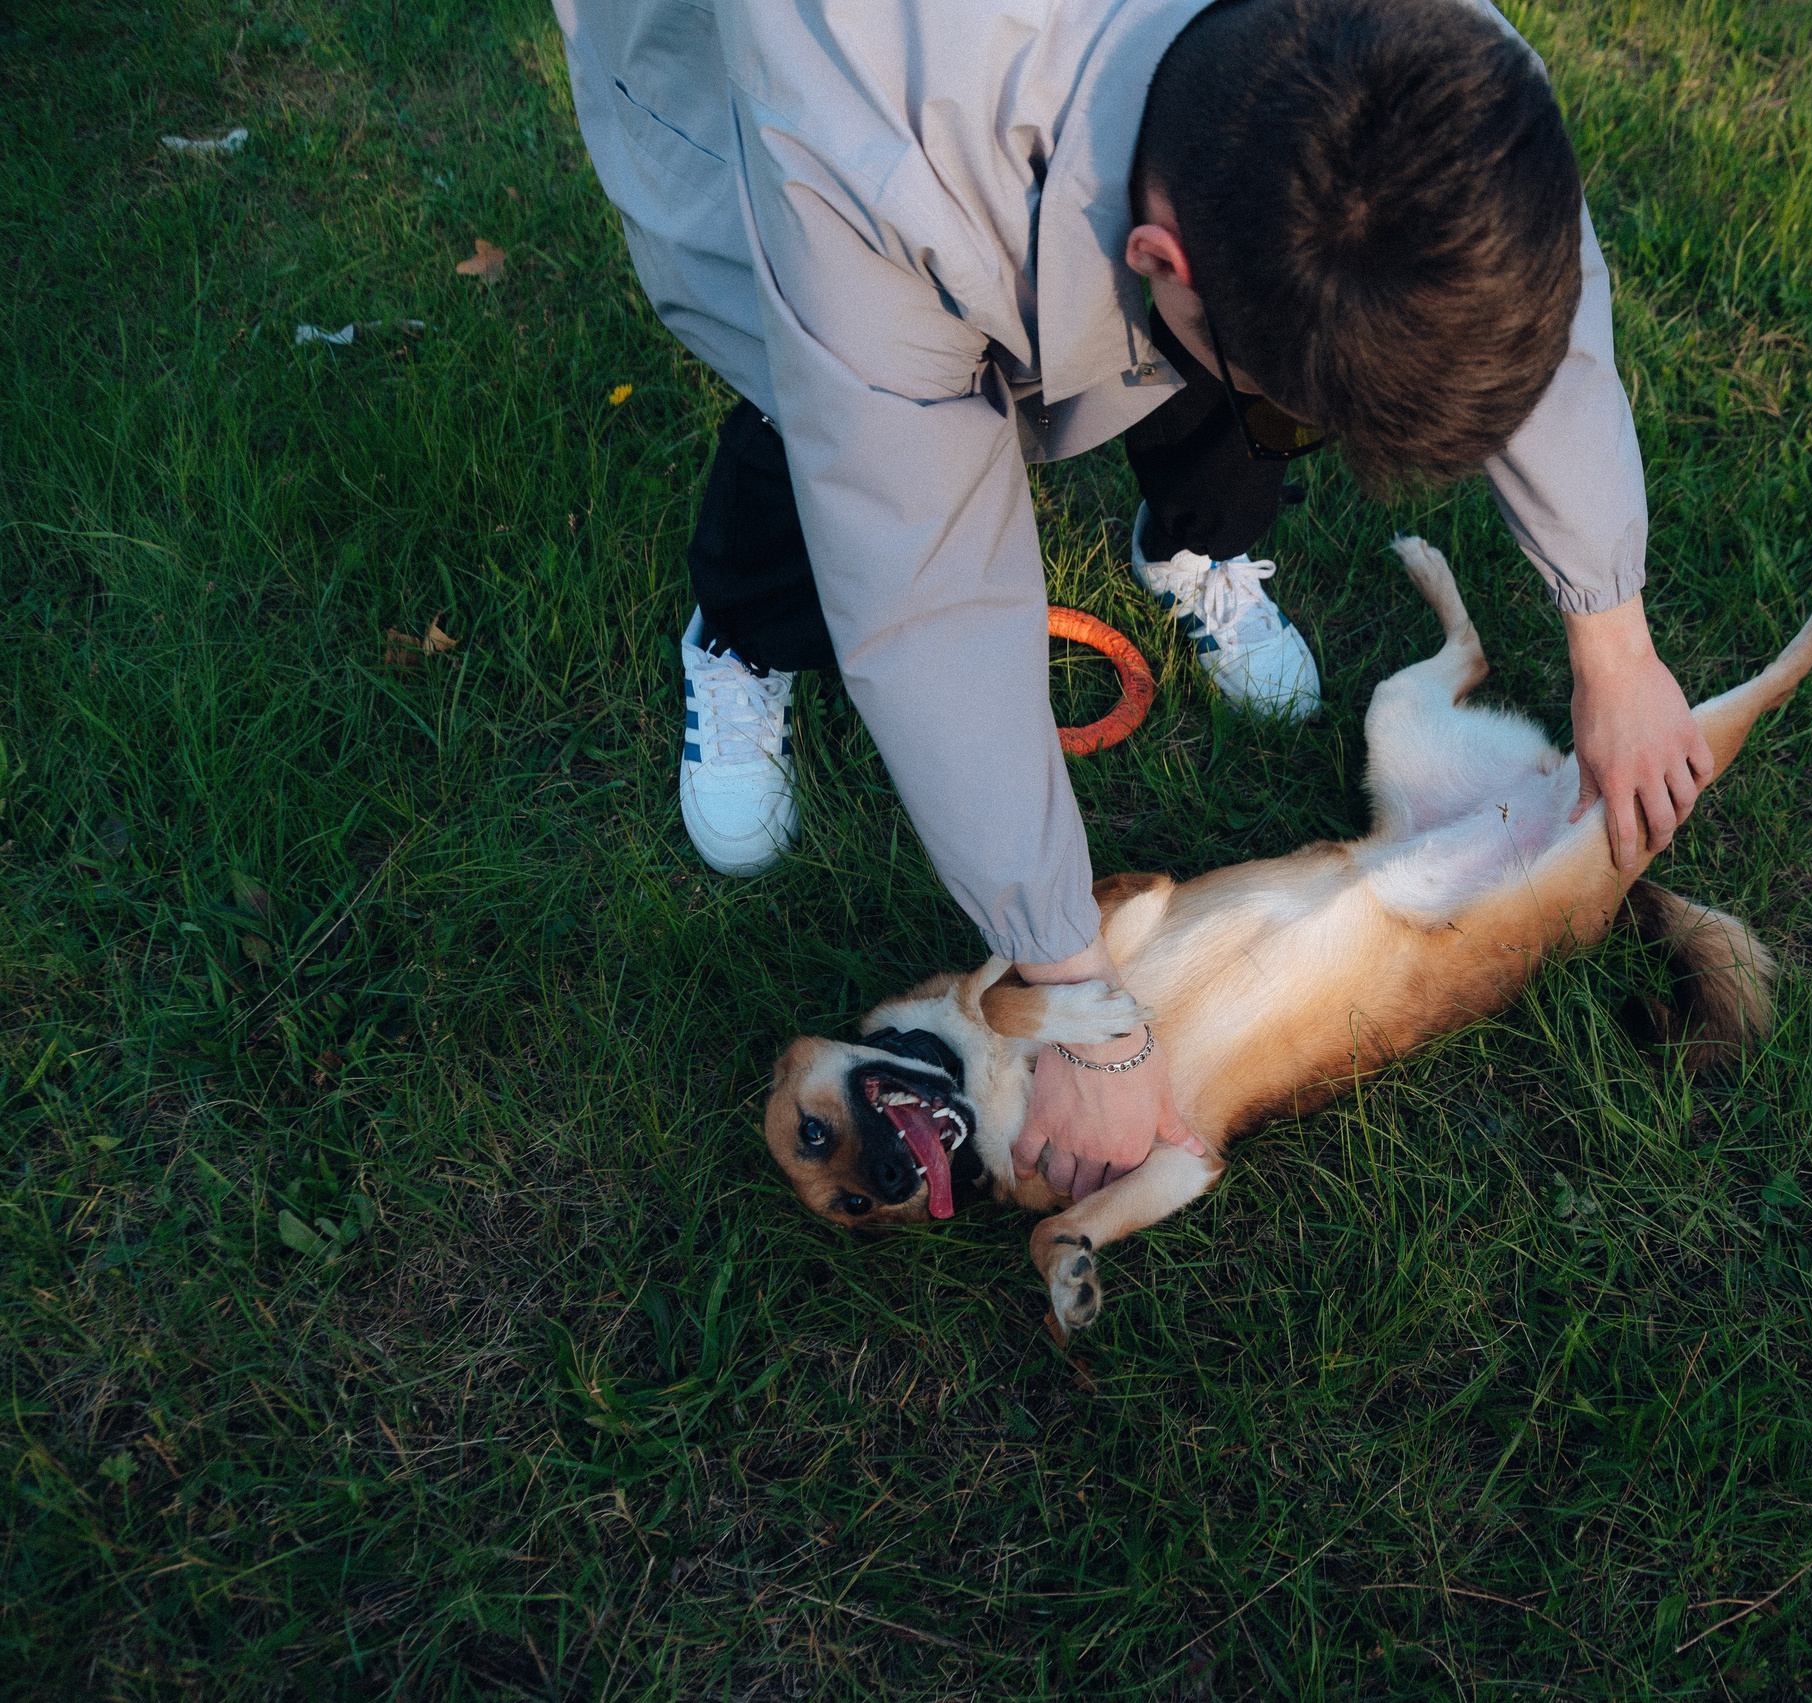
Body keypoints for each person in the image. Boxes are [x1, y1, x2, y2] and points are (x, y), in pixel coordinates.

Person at [552, 0, 1714, 1201]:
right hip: (822, 139)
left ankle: (1199, 532)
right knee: (808, 425)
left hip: (1164, 192)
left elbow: (1521, 276)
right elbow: (925, 582)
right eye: (1295, 427)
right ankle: (743, 634)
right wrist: (1078, 1001)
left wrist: (1613, 641)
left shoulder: (1435, 66)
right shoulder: (868, 159)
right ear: (1157, 255)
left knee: (1267, 343)